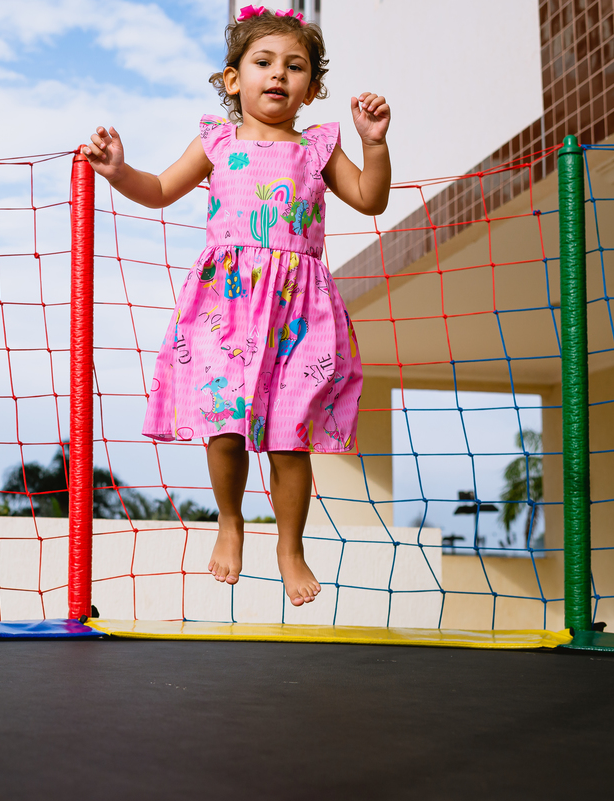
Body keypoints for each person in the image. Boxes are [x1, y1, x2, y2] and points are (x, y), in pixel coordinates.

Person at [81, 5, 390, 606]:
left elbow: (370, 199)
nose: (278, 75)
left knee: (288, 436)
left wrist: (373, 144)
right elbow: (162, 189)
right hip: (226, 306)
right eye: (263, 62)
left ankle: (291, 545)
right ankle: (230, 521)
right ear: (233, 79)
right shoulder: (216, 141)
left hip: (299, 312)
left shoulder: (318, 148)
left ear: (312, 87)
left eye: (294, 66)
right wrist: (119, 172)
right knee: (222, 428)